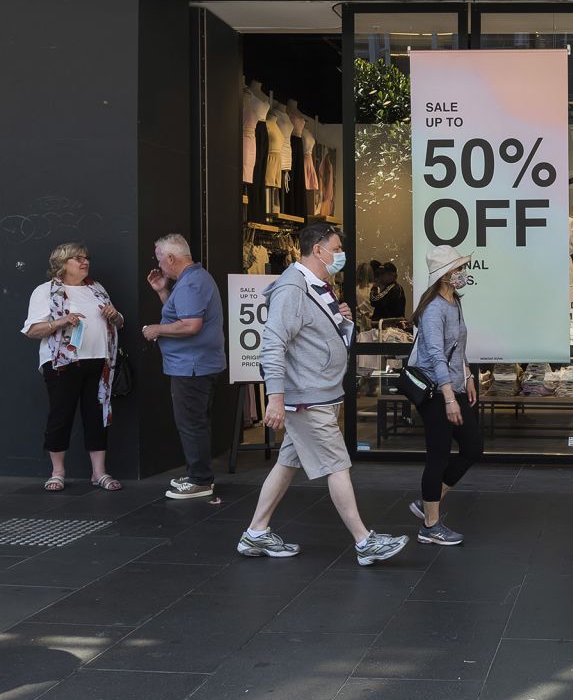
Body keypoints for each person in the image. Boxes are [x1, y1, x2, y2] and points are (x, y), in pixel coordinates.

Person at [237, 223, 408, 566]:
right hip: (308, 398)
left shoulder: (317, 287)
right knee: (337, 464)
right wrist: (275, 397)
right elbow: (273, 344)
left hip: (317, 392)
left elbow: (317, 335)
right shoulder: (292, 288)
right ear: (317, 250)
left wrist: (341, 320)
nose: (340, 254)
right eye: (336, 247)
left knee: (287, 463)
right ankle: (364, 541)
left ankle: (255, 533)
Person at [22, 242, 125, 492]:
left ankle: (99, 473)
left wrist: (115, 316)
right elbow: (32, 330)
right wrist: (61, 321)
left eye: (86, 257)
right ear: (62, 263)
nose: (84, 262)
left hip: (99, 361)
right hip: (62, 365)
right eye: (77, 258)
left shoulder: (96, 289)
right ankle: (57, 472)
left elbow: (119, 323)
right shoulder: (45, 291)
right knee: (61, 416)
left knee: (97, 417)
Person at [406, 246, 482, 546]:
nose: (462, 272)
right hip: (437, 391)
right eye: (458, 268)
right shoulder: (434, 308)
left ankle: (428, 502)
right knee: (437, 455)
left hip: (454, 385)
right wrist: (449, 398)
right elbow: (437, 356)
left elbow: (456, 348)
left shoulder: (454, 302)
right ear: (445, 275)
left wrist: (468, 376)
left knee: (473, 447)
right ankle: (430, 525)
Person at [142, 234, 226, 501]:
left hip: (191, 366)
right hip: (196, 364)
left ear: (170, 258)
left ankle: (200, 480)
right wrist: (162, 291)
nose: (159, 265)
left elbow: (190, 325)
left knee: (191, 423)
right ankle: (196, 474)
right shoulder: (194, 279)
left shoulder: (190, 283)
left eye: (159, 259)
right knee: (195, 421)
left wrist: (156, 329)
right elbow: (182, 315)